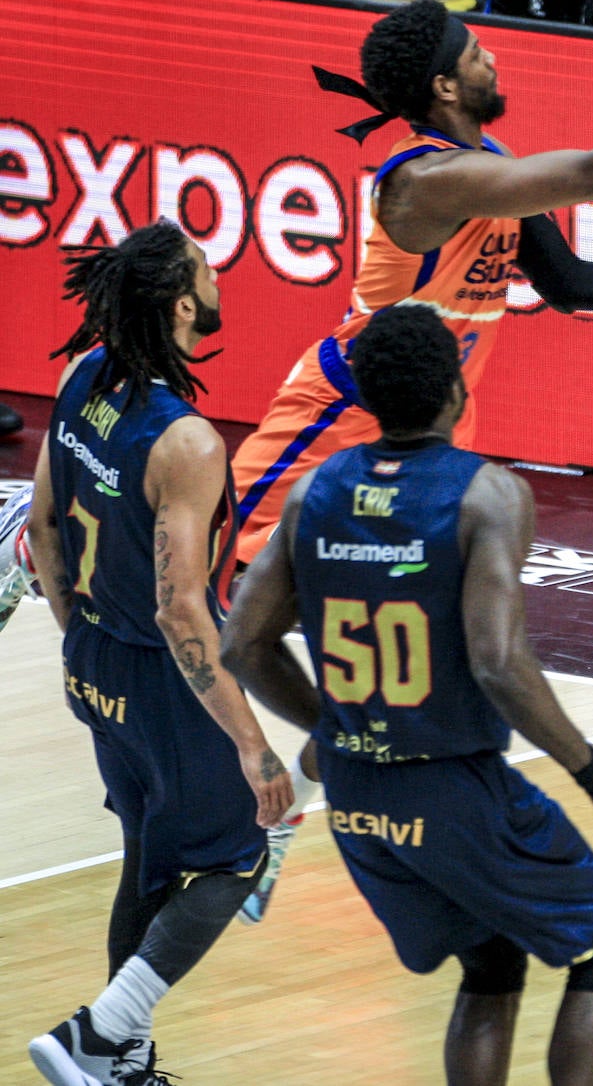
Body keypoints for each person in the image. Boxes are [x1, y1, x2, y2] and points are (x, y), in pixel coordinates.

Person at [226, 0, 593, 923]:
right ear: (443, 84)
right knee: (212, 601)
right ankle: (31, 544)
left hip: (430, 440)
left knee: (402, 663)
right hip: (335, 420)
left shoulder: (488, 168)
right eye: (476, 51)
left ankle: (278, 820)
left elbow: (571, 281)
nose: (492, 57)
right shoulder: (425, 181)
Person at [221, 302, 593, 1086]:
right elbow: (496, 662)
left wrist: (338, 724)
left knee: (488, 963)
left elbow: (243, 643)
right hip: (453, 789)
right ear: (455, 389)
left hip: (355, 797)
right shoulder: (487, 494)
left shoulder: (314, 492)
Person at [25, 219, 293, 1086]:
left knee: (149, 860)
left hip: (94, 658)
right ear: (184, 303)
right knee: (239, 855)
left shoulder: (80, 375)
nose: (218, 280)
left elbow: (41, 528)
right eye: (208, 271)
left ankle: (121, 1059)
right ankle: (97, 1035)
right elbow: (182, 611)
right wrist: (252, 745)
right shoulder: (187, 443)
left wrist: (82, 641)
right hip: (159, 675)